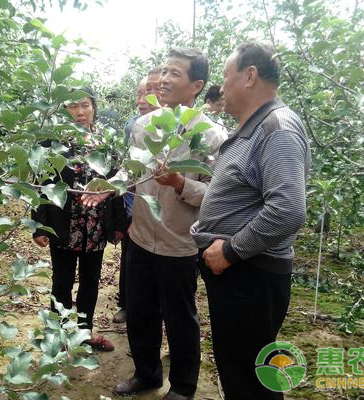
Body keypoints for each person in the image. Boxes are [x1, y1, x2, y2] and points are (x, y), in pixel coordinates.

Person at [85, 48, 227, 400]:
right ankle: (146, 374)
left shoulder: (211, 136)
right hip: (141, 236)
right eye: (163, 71)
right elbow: (131, 172)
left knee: (180, 319)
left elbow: (217, 197)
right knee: (141, 310)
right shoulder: (145, 126)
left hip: (179, 243)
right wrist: (110, 187)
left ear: (197, 85)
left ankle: (182, 386)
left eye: (174, 73)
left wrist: (181, 184)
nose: (163, 79)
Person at [190, 41, 311, 400]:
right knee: (237, 367)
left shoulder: (278, 128)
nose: (222, 87)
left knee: (250, 377)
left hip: (249, 272)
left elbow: (288, 208)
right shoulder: (254, 128)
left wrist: (229, 250)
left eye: (226, 77)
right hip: (239, 273)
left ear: (250, 76)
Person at [32, 87, 127, 352]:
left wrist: (119, 223)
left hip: (95, 227)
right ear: (63, 111)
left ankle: (84, 331)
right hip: (63, 225)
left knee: (90, 282)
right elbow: (40, 184)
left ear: (93, 108)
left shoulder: (105, 145)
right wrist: (39, 224)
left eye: (84, 105)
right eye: (72, 106)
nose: (80, 112)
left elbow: (116, 184)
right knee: (61, 281)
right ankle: (59, 334)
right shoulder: (50, 145)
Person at [114, 67, 162, 324]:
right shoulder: (134, 126)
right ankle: (128, 305)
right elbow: (130, 171)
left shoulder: (182, 127)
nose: (142, 99)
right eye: (140, 93)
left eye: (150, 91)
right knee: (132, 261)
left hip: (170, 227)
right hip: (138, 209)